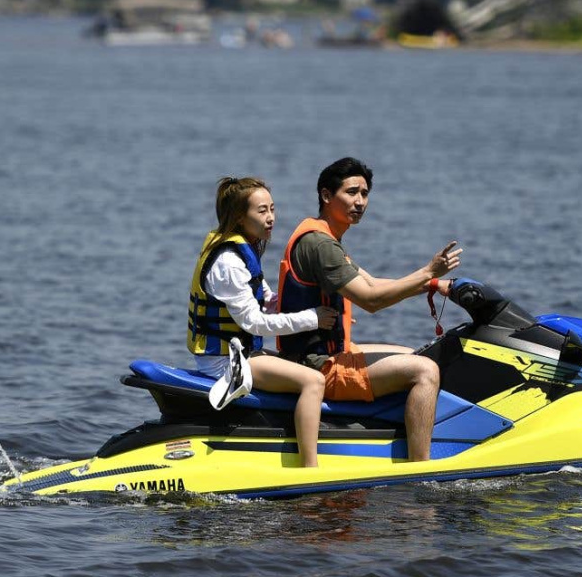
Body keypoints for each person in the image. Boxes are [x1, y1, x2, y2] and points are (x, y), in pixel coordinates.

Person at [277, 157, 461, 462]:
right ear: (326, 195)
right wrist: (428, 272)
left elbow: (372, 282)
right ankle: (420, 465)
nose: (360, 202)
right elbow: (371, 300)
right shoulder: (321, 246)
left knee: (414, 353)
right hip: (319, 365)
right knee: (425, 371)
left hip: (327, 352)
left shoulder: (323, 236)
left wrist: (433, 285)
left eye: (364, 194)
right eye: (351, 193)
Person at [187, 177, 339, 468]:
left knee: (302, 364)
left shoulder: (244, 248)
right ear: (240, 218)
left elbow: (266, 300)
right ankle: (310, 467)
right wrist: (312, 319)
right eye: (261, 211)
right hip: (225, 361)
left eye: (272, 208)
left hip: (239, 353)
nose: (271, 218)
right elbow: (254, 322)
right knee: (313, 381)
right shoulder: (228, 263)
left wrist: (326, 309)